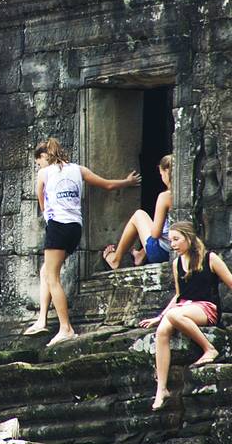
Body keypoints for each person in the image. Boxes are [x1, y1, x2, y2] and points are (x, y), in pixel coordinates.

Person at [23, 138, 141, 346]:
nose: (38, 166)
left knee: (52, 277)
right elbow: (107, 184)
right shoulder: (79, 169)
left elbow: (42, 205)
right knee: (46, 272)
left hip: (58, 227)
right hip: (75, 228)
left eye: (38, 161)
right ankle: (42, 320)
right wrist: (128, 182)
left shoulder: (44, 173)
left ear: (44, 156)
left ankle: (66, 328)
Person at [139, 221, 232, 410]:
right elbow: (178, 296)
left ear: (189, 238)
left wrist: (170, 313)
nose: (172, 244)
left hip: (206, 308)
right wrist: (159, 317)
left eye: (176, 239)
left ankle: (209, 349)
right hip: (183, 307)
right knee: (162, 330)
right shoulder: (176, 263)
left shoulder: (210, 258)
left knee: (173, 315)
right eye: (170, 240)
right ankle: (161, 389)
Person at [103, 154, 172, 269]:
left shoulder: (165, 196)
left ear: (166, 172)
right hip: (179, 250)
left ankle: (115, 259)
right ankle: (140, 255)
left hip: (161, 253)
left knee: (139, 215)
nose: (161, 178)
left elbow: (155, 234)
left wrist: (153, 226)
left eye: (161, 174)